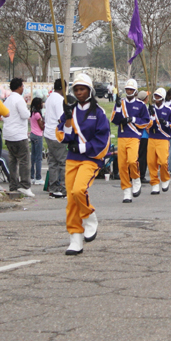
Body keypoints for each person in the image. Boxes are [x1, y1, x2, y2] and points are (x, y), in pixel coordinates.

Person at [55, 74, 110, 255]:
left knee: (79, 190)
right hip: (72, 159)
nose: (79, 93)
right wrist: (68, 119)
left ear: (90, 90)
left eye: (82, 89)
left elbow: (103, 140)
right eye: (76, 90)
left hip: (91, 158)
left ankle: (89, 215)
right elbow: (64, 136)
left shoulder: (99, 112)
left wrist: (82, 147)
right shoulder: (70, 111)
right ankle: (75, 238)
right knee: (71, 199)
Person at [112, 79, 151, 202]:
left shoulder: (141, 105)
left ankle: (136, 179)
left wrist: (132, 119)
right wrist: (118, 108)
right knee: (122, 165)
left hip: (134, 136)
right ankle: (126, 191)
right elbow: (114, 120)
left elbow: (146, 121)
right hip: (122, 136)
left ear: (135, 91)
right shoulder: (120, 103)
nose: (129, 91)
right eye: (127, 89)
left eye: (131, 89)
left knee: (132, 161)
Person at [3, 78, 33, 197]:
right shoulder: (19, 100)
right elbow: (25, 115)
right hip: (19, 135)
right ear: (19, 87)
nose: (23, 88)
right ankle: (25, 185)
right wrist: (29, 111)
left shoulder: (7, 100)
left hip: (8, 134)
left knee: (12, 161)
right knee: (24, 160)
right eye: (22, 86)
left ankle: (13, 185)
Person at [146, 88, 171, 194]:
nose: (156, 99)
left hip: (163, 138)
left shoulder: (169, 110)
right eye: (155, 96)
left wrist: (166, 123)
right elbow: (146, 124)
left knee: (163, 162)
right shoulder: (150, 109)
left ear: (163, 98)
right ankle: (155, 184)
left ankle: (165, 179)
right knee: (151, 162)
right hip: (152, 137)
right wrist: (150, 116)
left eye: (158, 97)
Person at [44, 79, 68, 198]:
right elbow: (61, 118)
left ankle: (53, 189)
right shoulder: (59, 100)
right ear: (64, 88)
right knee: (63, 162)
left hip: (48, 133)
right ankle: (64, 190)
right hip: (56, 135)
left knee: (53, 162)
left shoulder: (50, 97)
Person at [29, 96, 45, 186]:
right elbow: (41, 127)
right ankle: (38, 177)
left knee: (33, 157)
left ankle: (32, 176)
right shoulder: (38, 114)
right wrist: (44, 124)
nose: (42, 104)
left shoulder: (32, 113)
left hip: (32, 134)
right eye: (41, 103)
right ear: (38, 104)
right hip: (38, 135)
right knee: (39, 158)